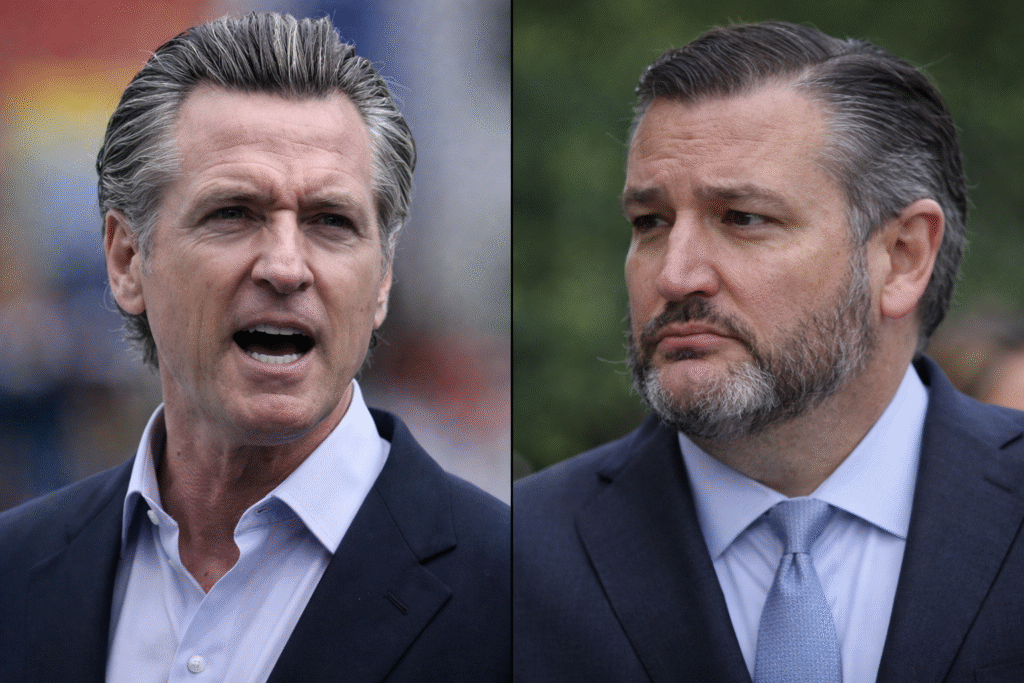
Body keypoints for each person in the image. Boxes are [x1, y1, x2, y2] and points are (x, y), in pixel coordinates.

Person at [0, 13, 509, 683]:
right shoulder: (17, 569)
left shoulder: (516, 593)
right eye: (233, 213)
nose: (286, 266)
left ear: (382, 278)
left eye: (332, 222)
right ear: (127, 260)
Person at [514, 21, 1024, 683]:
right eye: (651, 222)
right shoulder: (514, 555)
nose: (674, 275)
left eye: (742, 218)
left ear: (902, 257)